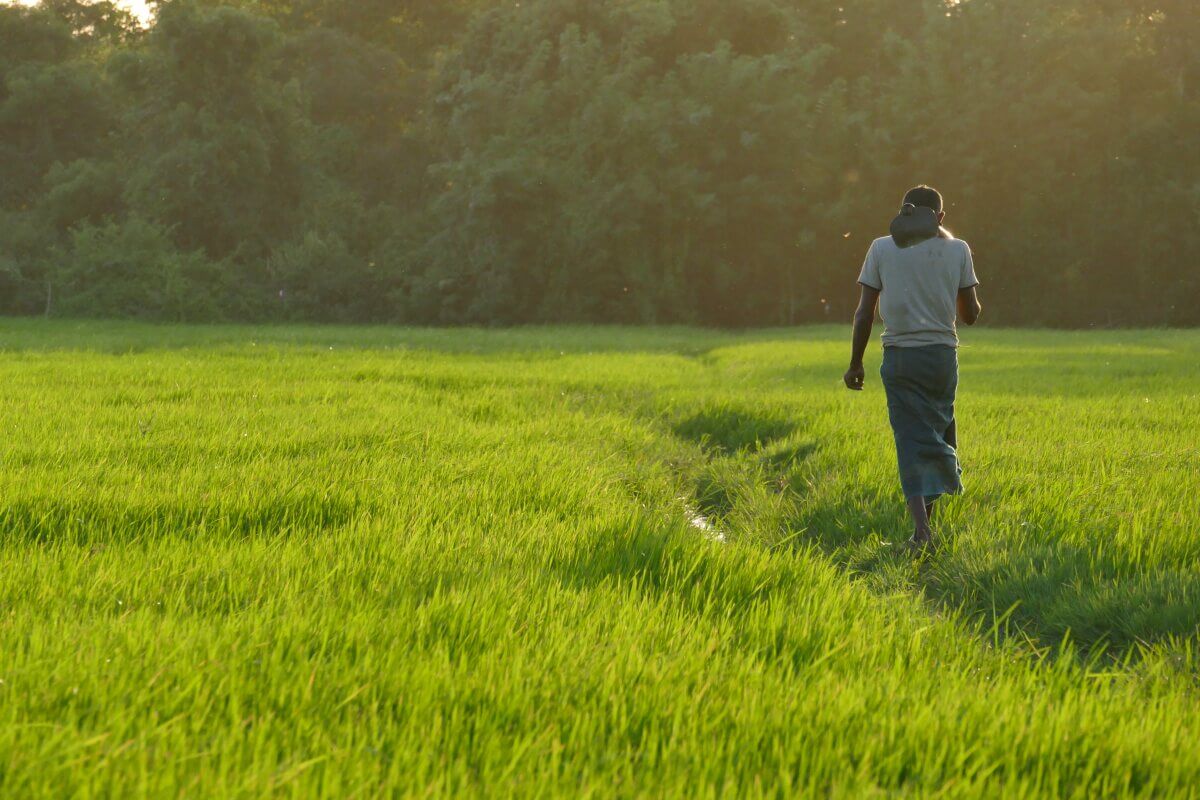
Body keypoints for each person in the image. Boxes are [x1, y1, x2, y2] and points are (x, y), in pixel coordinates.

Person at [843, 185, 982, 550]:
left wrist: (856, 363)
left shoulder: (881, 247)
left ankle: (922, 533)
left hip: (901, 358)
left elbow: (864, 313)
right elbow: (970, 316)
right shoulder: (958, 249)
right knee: (936, 432)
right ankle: (926, 529)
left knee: (910, 439)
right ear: (940, 217)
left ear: (903, 213)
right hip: (941, 359)